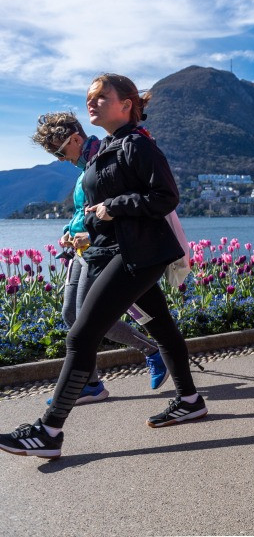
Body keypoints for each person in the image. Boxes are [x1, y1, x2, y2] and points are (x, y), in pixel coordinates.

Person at [1, 74, 205, 459]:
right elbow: (101, 209)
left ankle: (49, 431)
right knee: (160, 325)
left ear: (126, 103)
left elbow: (165, 197)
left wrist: (113, 208)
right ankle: (191, 399)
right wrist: (90, 225)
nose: (91, 103)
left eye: (100, 97)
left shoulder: (137, 146)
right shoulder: (110, 148)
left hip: (135, 256)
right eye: (89, 98)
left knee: (81, 335)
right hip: (120, 252)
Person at [30, 112, 168, 402]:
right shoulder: (84, 168)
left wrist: (90, 236)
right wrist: (69, 230)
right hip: (81, 251)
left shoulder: (105, 159)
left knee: (87, 320)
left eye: (59, 151)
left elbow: (116, 211)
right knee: (71, 315)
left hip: (102, 249)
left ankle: (149, 353)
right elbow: (84, 212)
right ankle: (93, 383)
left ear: (75, 138)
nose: (59, 159)